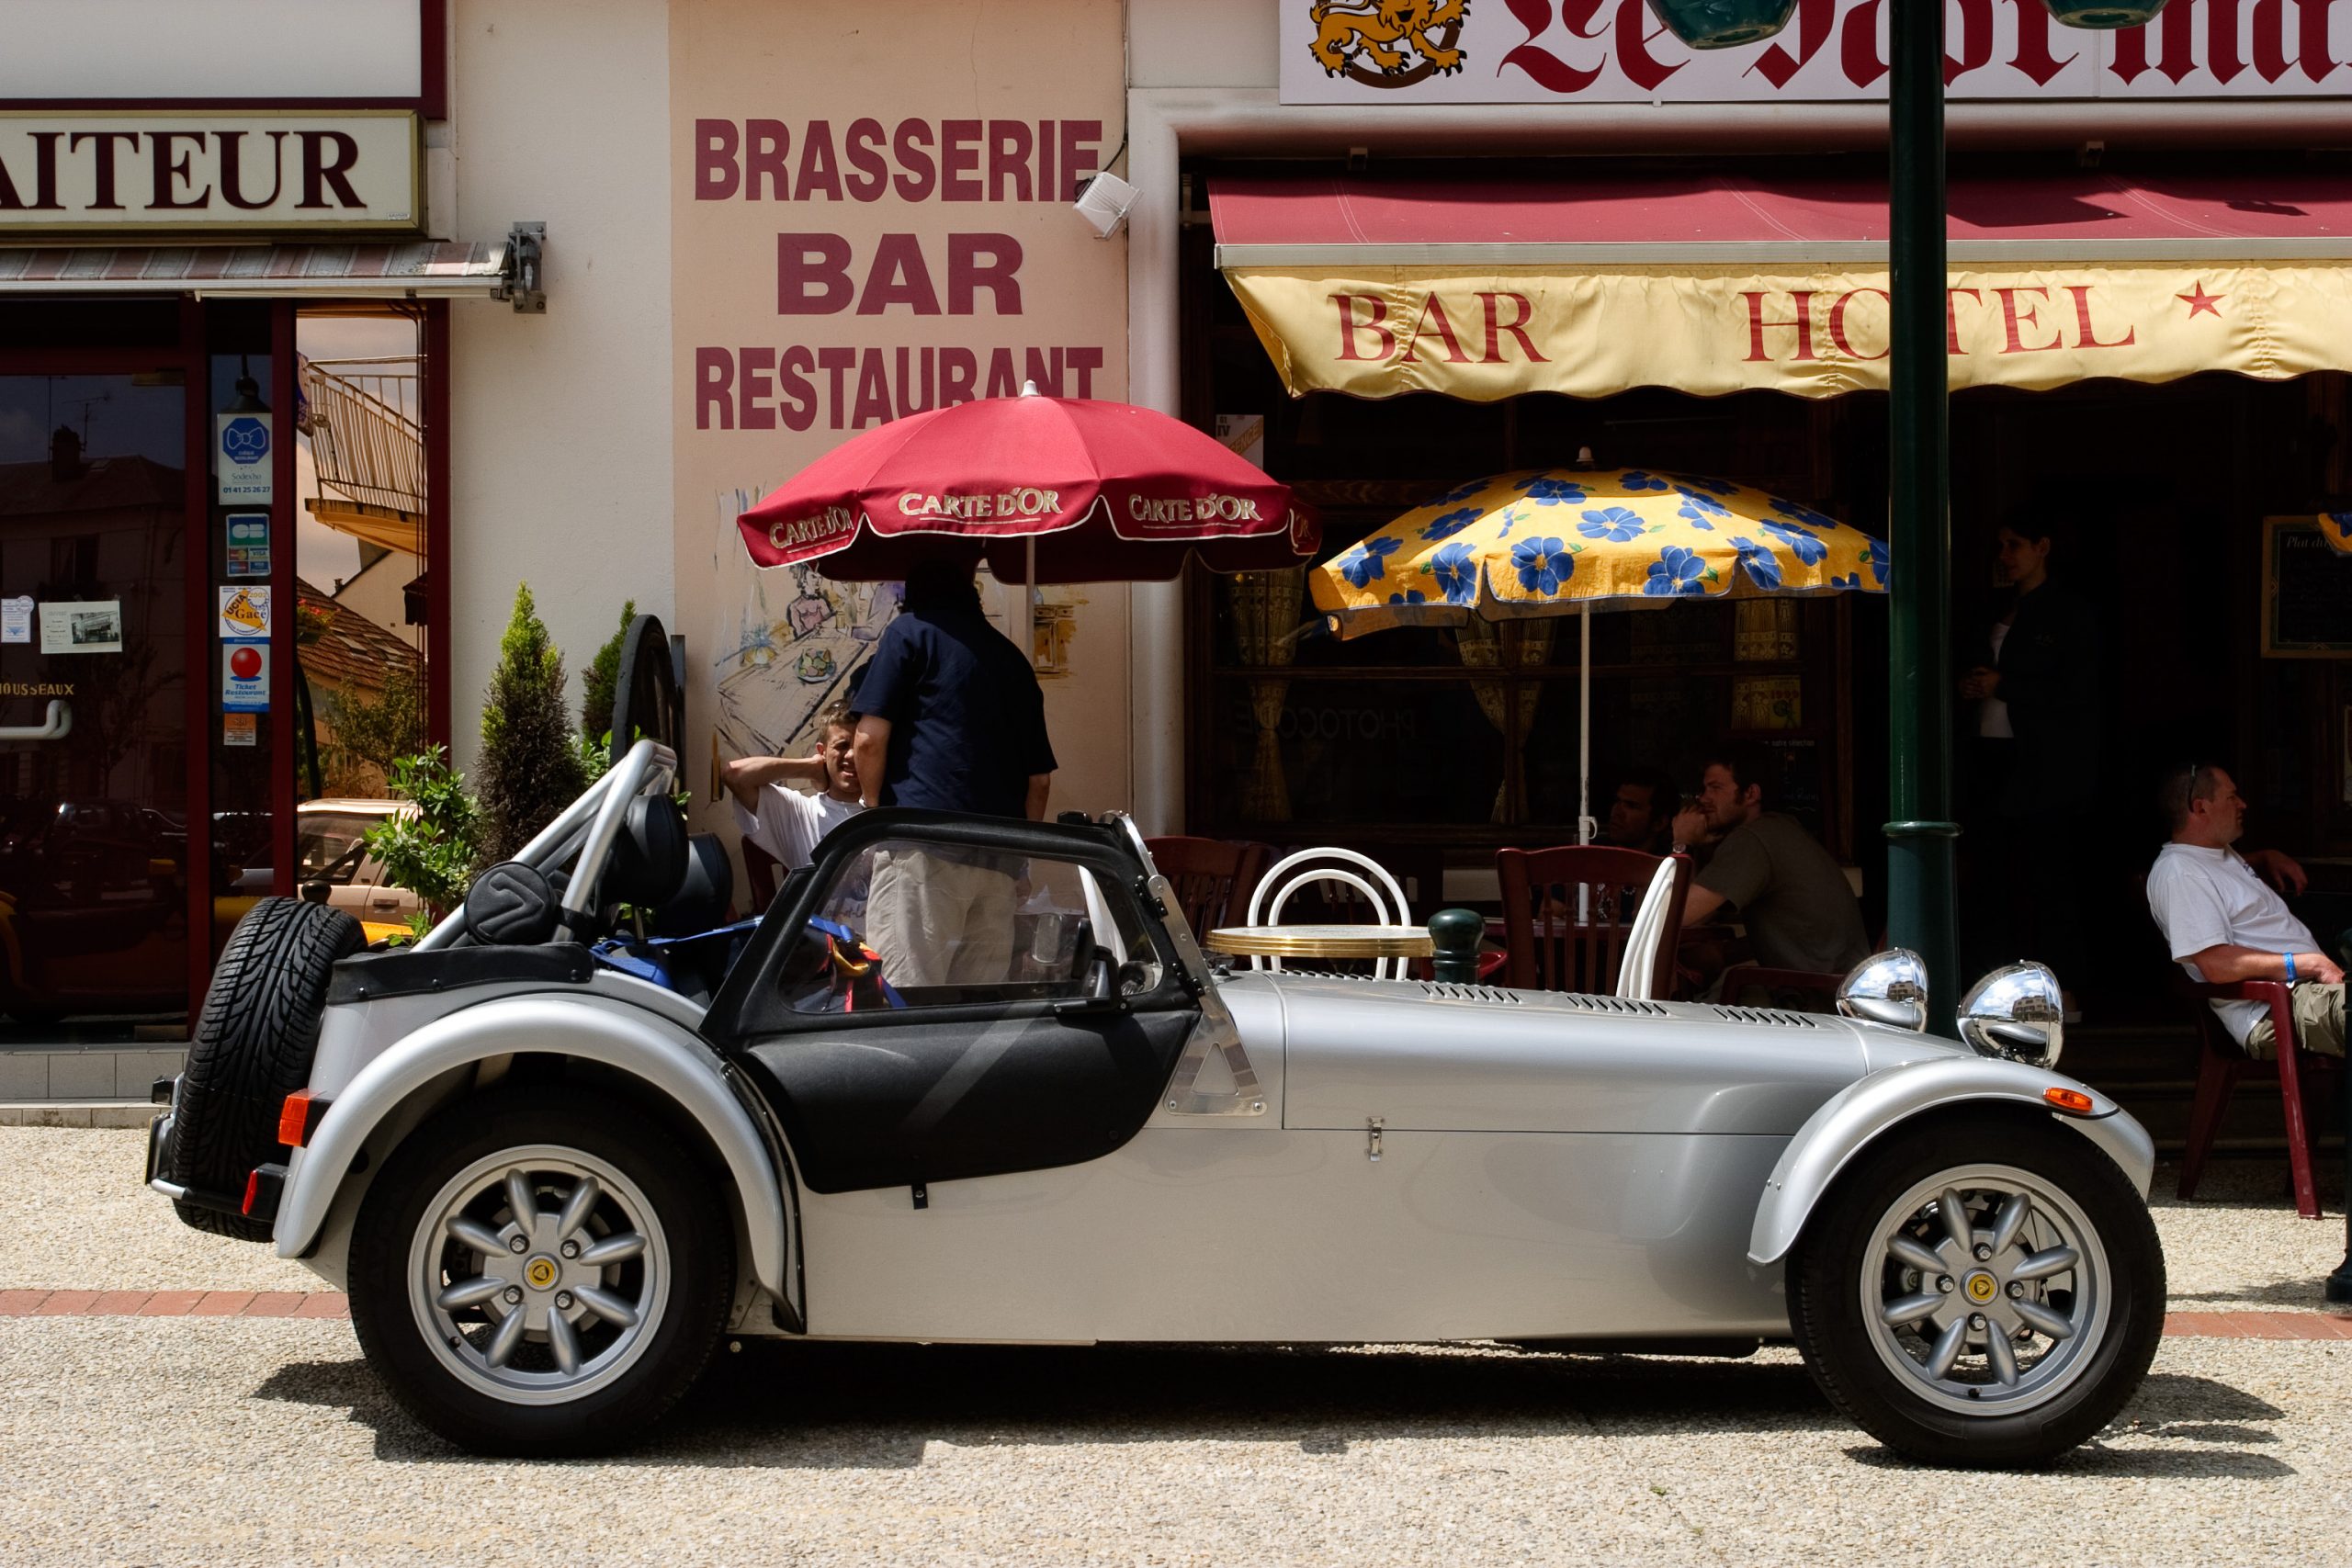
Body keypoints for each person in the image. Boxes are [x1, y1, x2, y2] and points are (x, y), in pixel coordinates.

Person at [851, 554, 1057, 988]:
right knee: (974, 1006)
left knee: (906, 998)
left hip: (923, 844)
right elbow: (1039, 782)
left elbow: (868, 740)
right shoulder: (1013, 659)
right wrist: (1017, 859)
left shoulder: (909, 632)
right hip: (999, 857)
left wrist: (873, 812)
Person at [1959, 513, 2100, 1015]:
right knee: (1990, 876)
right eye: (2000, 545)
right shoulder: (1997, 607)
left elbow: (2077, 692)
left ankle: (2062, 988)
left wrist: (2006, 686)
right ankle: (1996, 987)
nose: (2005, 555)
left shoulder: (2068, 612)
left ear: (2043, 547)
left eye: (2014, 545)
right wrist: (1973, 687)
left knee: (2045, 876)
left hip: (2043, 764)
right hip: (1991, 755)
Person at [2145, 762, 2344, 1061]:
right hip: (2275, 1008)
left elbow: (2220, 877)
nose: (2242, 804)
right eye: (2231, 797)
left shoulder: (2214, 854)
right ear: (2200, 807)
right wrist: (2308, 964)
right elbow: (2215, 964)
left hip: (2307, 994)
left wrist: (2266, 856)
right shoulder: (2180, 873)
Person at [1670, 739, 1870, 978]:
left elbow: (1676, 915)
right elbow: (1701, 916)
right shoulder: (1779, 829)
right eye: (1704, 789)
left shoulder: (1752, 839)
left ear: (1751, 794)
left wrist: (1681, 844)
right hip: (1837, 982)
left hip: (1815, 993)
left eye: (1715, 788)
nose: (1703, 798)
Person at [719, 697, 865, 874]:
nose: (851, 755)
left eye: (861, 747)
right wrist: (811, 768)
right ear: (822, 751)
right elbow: (735, 775)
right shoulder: (800, 813)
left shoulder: (889, 806)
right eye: (842, 746)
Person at [1601, 765, 1680, 856]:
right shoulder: (1595, 854)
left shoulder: (1668, 863)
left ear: (1659, 823)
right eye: (1617, 801)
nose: (1616, 812)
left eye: (1631, 806)